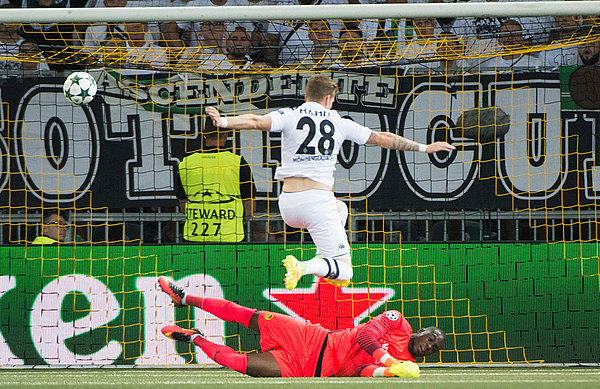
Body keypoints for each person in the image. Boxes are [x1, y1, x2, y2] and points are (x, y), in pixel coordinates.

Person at [205, 74, 455, 289]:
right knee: (346, 272)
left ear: (307, 95)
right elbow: (382, 138)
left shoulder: (290, 115)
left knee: (341, 208)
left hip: (288, 205)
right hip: (316, 203)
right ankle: (302, 266)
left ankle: (321, 257)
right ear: (328, 99)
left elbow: (255, 121)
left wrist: (224, 121)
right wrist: (425, 147)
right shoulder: (338, 122)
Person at [158, 276, 445, 377]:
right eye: (430, 338)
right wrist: (390, 361)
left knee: (236, 363)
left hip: (306, 368)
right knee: (246, 315)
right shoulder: (398, 323)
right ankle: (186, 298)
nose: (429, 345)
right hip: (311, 338)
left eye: (433, 348)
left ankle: (195, 338)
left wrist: (386, 372)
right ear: (420, 330)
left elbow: (363, 371)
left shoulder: (405, 366)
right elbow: (366, 335)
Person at [174, 118, 256, 242]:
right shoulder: (238, 163)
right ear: (226, 133)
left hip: (194, 238)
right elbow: (250, 208)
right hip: (231, 237)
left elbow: (182, 205)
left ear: (204, 133)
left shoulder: (186, 163)